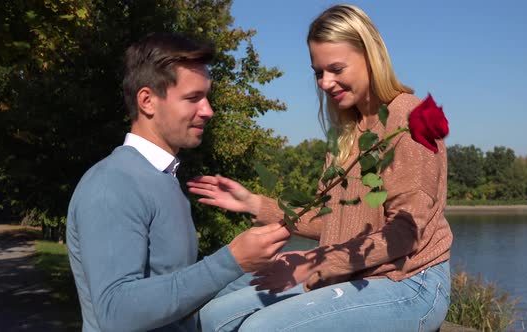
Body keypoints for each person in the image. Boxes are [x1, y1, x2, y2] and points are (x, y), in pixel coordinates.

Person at [187, 4, 452, 332]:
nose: (326, 82)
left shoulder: (407, 119)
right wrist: (256, 204)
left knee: (261, 329)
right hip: (354, 274)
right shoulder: (346, 132)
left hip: (411, 282)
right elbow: (332, 221)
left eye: (336, 69)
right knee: (211, 319)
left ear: (370, 56)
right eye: (318, 72)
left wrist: (316, 261)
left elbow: (405, 233)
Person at [66, 32, 291, 332]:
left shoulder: (162, 179)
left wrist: (255, 267)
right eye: (193, 98)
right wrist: (230, 261)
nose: (208, 110)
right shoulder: (112, 184)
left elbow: (179, 295)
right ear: (147, 100)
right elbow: (116, 312)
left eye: (206, 96)